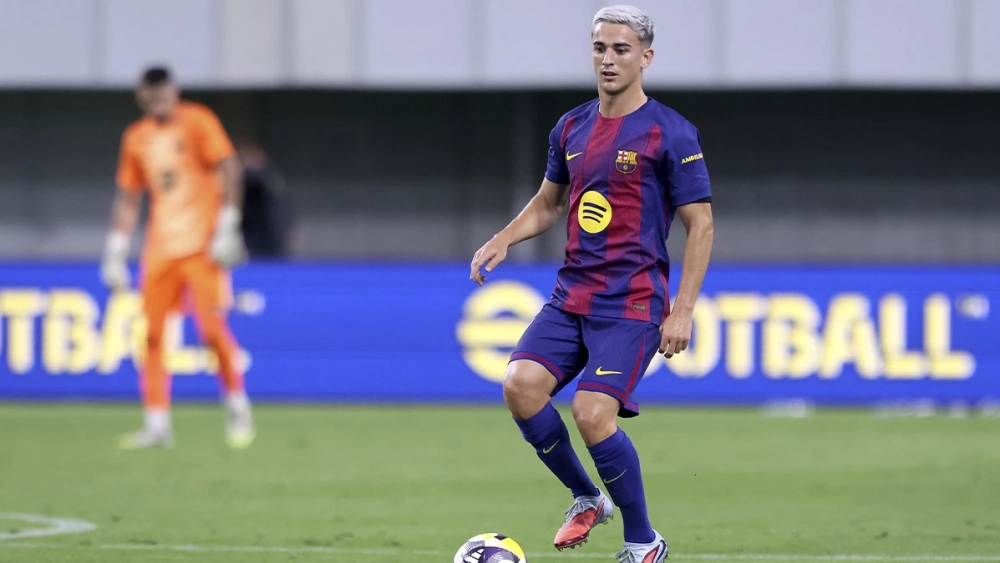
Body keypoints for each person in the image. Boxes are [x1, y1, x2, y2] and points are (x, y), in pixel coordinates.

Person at [469, 6, 714, 562]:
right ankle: (586, 497)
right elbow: (549, 203)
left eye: (621, 49)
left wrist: (683, 311)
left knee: (591, 413)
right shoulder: (571, 127)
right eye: (600, 48)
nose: (608, 59)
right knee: (520, 384)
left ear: (645, 58)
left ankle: (643, 541)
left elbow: (701, 224)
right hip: (573, 293)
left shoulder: (671, 133)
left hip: (632, 303)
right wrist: (505, 237)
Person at [100, 66, 256, 450]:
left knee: (211, 331)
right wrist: (116, 250)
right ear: (143, 97)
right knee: (151, 335)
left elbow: (229, 166)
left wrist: (228, 225)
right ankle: (157, 424)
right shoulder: (136, 138)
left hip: (203, 249)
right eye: (152, 95)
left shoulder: (198, 121)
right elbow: (129, 195)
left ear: (175, 91)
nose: (159, 101)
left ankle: (237, 402)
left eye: (164, 93)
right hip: (161, 251)